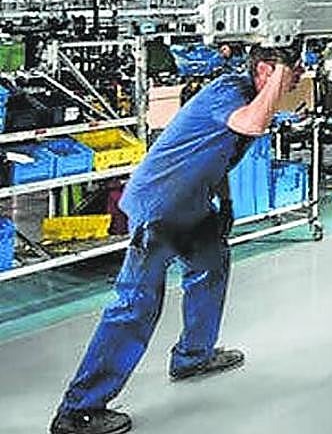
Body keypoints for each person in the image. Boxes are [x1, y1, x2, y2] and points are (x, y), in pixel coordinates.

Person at [50, 45, 302, 434]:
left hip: (193, 204)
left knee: (212, 266)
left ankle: (192, 356)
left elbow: (218, 150)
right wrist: (278, 78)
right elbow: (250, 124)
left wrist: (226, 201)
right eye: (292, 71)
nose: (298, 78)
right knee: (136, 304)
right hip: (160, 206)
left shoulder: (251, 98)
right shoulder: (230, 91)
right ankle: (78, 409)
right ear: (265, 70)